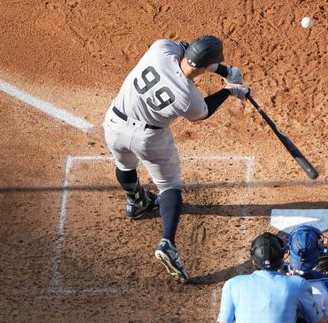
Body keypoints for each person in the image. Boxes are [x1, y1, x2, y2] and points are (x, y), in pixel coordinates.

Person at [103, 34, 248, 283]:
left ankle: (136, 202)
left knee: (124, 164)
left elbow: (188, 53)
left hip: (114, 123)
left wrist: (223, 69)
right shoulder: (187, 96)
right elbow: (203, 112)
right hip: (148, 139)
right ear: (205, 69)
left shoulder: (160, 49)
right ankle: (167, 242)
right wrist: (229, 90)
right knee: (169, 186)